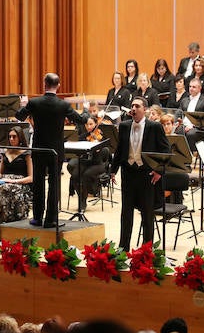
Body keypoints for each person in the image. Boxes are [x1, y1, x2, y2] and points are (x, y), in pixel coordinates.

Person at [16, 73, 85, 227]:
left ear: (44, 84)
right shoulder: (63, 105)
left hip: (39, 148)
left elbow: (19, 116)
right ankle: (51, 219)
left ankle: (37, 218)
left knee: (38, 183)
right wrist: (86, 111)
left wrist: (23, 105)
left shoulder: (35, 102)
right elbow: (81, 120)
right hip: (56, 150)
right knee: (54, 184)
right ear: (58, 86)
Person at [110, 96, 171, 250]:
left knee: (147, 213)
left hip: (146, 175)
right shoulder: (124, 126)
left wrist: (159, 171)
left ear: (145, 109)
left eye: (137, 106)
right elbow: (119, 150)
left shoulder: (154, 127)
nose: (134, 109)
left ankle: (147, 249)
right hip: (128, 173)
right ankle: (123, 247)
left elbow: (166, 151)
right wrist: (113, 170)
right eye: (132, 106)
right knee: (126, 212)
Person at [67, 117, 111, 213]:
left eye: (91, 124)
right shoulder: (83, 137)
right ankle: (81, 198)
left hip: (97, 163)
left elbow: (106, 152)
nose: (89, 126)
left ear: (96, 124)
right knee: (75, 175)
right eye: (87, 124)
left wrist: (98, 145)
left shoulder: (101, 136)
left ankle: (86, 197)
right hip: (85, 162)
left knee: (86, 175)